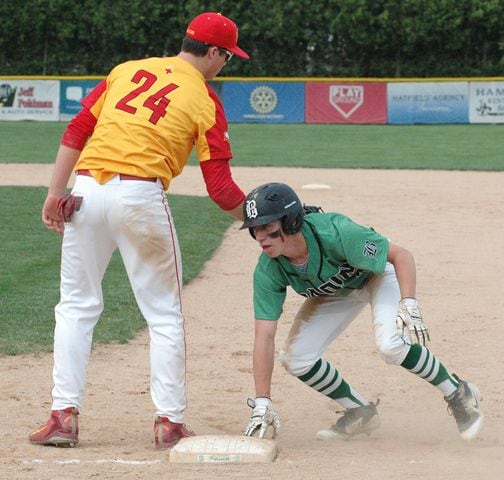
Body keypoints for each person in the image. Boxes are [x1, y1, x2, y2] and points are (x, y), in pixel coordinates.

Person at [29, 12, 249, 450]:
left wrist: (55, 193)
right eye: (227, 56)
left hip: (86, 192)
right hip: (140, 199)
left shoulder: (125, 71)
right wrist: (261, 220)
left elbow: (77, 129)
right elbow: (221, 189)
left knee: (75, 307)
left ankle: (62, 417)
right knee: (164, 314)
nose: (226, 63)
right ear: (212, 51)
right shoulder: (205, 99)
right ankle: (169, 423)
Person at [241, 182, 483, 442]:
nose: (260, 237)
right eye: (255, 230)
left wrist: (408, 303)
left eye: (267, 227)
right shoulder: (268, 268)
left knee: (390, 345)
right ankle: (360, 411)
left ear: (291, 221)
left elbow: (401, 255)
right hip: (337, 292)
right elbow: (264, 337)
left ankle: (459, 392)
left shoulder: (334, 231)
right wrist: (262, 400)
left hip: (378, 275)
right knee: (295, 358)